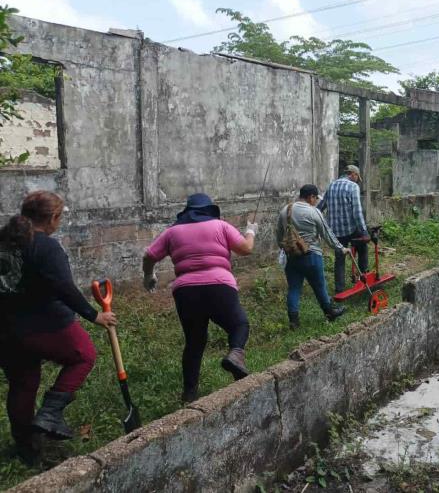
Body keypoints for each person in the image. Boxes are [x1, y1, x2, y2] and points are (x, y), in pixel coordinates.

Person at [0, 191, 116, 463]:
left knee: (23, 383)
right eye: (59, 217)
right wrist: (93, 315)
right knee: (84, 355)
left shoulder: (4, 241)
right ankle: (50, 413)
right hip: (46, 323)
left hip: (6, 329)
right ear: (53, 218)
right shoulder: (45, 247)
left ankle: (27, 449)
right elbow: (64, 287)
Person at [142, 193, 256, 403]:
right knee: (239, 324)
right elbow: (246, 249)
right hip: (219, 285)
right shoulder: (220, 226)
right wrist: (250, 231)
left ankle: (189, 394)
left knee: (194, 342)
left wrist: (149, 275)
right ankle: (236, 355)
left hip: (186, 291)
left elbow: (149, 255)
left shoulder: (172, 232)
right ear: (209, 209)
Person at [277, 184, 350, 330]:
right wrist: (341, 248)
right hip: (311, 256)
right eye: (315, 198)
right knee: (319, 285)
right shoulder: (314, 212)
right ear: (311, 197)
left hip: (292, 257)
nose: (316, 201)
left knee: (294, 288)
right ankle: (330, 312)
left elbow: (279, 235)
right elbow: (327, 233)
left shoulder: (285, 211)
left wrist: (285, 249)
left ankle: (294, 321)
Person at [317, 165, 369, 294]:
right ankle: (363, 279)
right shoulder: (353, 187)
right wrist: (364, 231)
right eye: (357, 178)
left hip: (335, 231)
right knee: (363, 247)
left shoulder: (331, 186)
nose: (357, 181)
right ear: (353, 175)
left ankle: (339, 289)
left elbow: (320, 207)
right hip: (350, 229)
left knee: (339, 258)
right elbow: (357, 211)